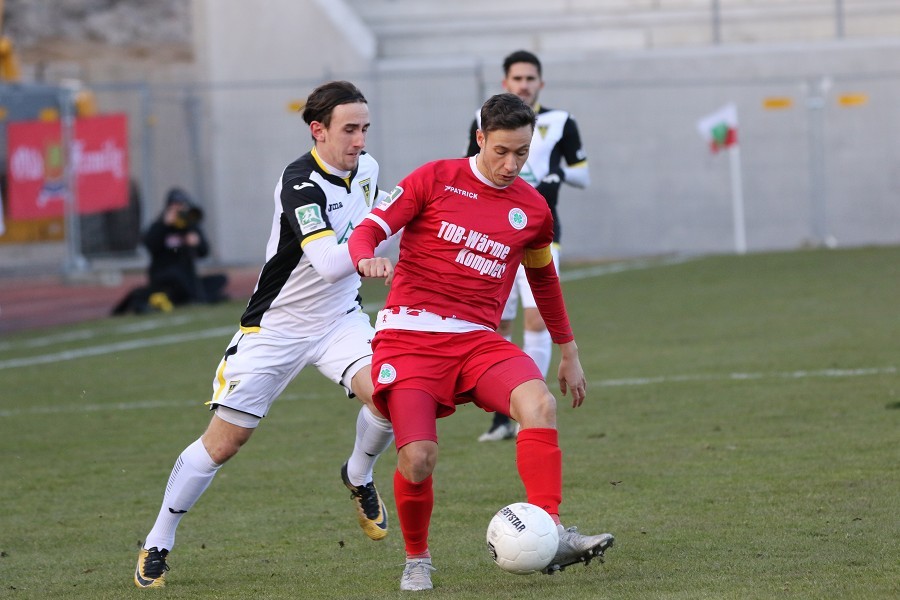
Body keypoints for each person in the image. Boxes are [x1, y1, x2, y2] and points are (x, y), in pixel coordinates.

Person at [134, 81, 396, 588]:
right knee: (225, 443)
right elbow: (325, 262)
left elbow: (375, 218)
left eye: (365, 128)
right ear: (317, 130)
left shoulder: (368, 170)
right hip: (275, 329)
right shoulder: (299, 183)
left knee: (391, 395)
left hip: (339, 320)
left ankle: (359, 474)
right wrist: (367, 255)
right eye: (349, 129)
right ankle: (158, 539)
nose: (359, 140)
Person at [348, 92, 613, 592]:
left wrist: (569, 350)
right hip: (409, 337)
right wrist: (366, 258)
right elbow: (369, 230)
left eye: (521, 152)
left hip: (476, 341)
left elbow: (544, 283)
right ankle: (417, 557)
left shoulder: (532, 210)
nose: (511, 164)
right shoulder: (435, 178)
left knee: (539, 403)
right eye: (501, 152)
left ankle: (551, 531)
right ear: (480, 138)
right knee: (419, 458)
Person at [466, 50, 591, 442]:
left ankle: (526, 410)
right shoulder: (482, 120)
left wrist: (557, 175)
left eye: (530, 78)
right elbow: (470, 170)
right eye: (517, 79)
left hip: (540, 234)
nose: (524, 84)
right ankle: (502, 412)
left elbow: (583, 176)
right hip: (494, 238)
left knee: (537, 319)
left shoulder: (560, 121)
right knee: (497, 323)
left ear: (541, 83)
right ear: (506, 83)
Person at [142, 188, 229, 310]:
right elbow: (150, 245)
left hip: (187, 276)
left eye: (181, 205)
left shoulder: (189, 226)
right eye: (175, 205)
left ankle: (184, 297)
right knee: (176, 278)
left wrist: (196, 243)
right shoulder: (159, 225)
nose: (178, 209)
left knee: (220, 280)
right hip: (165, 277)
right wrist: (164, 225)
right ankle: (170, 298)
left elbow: (204, 252)